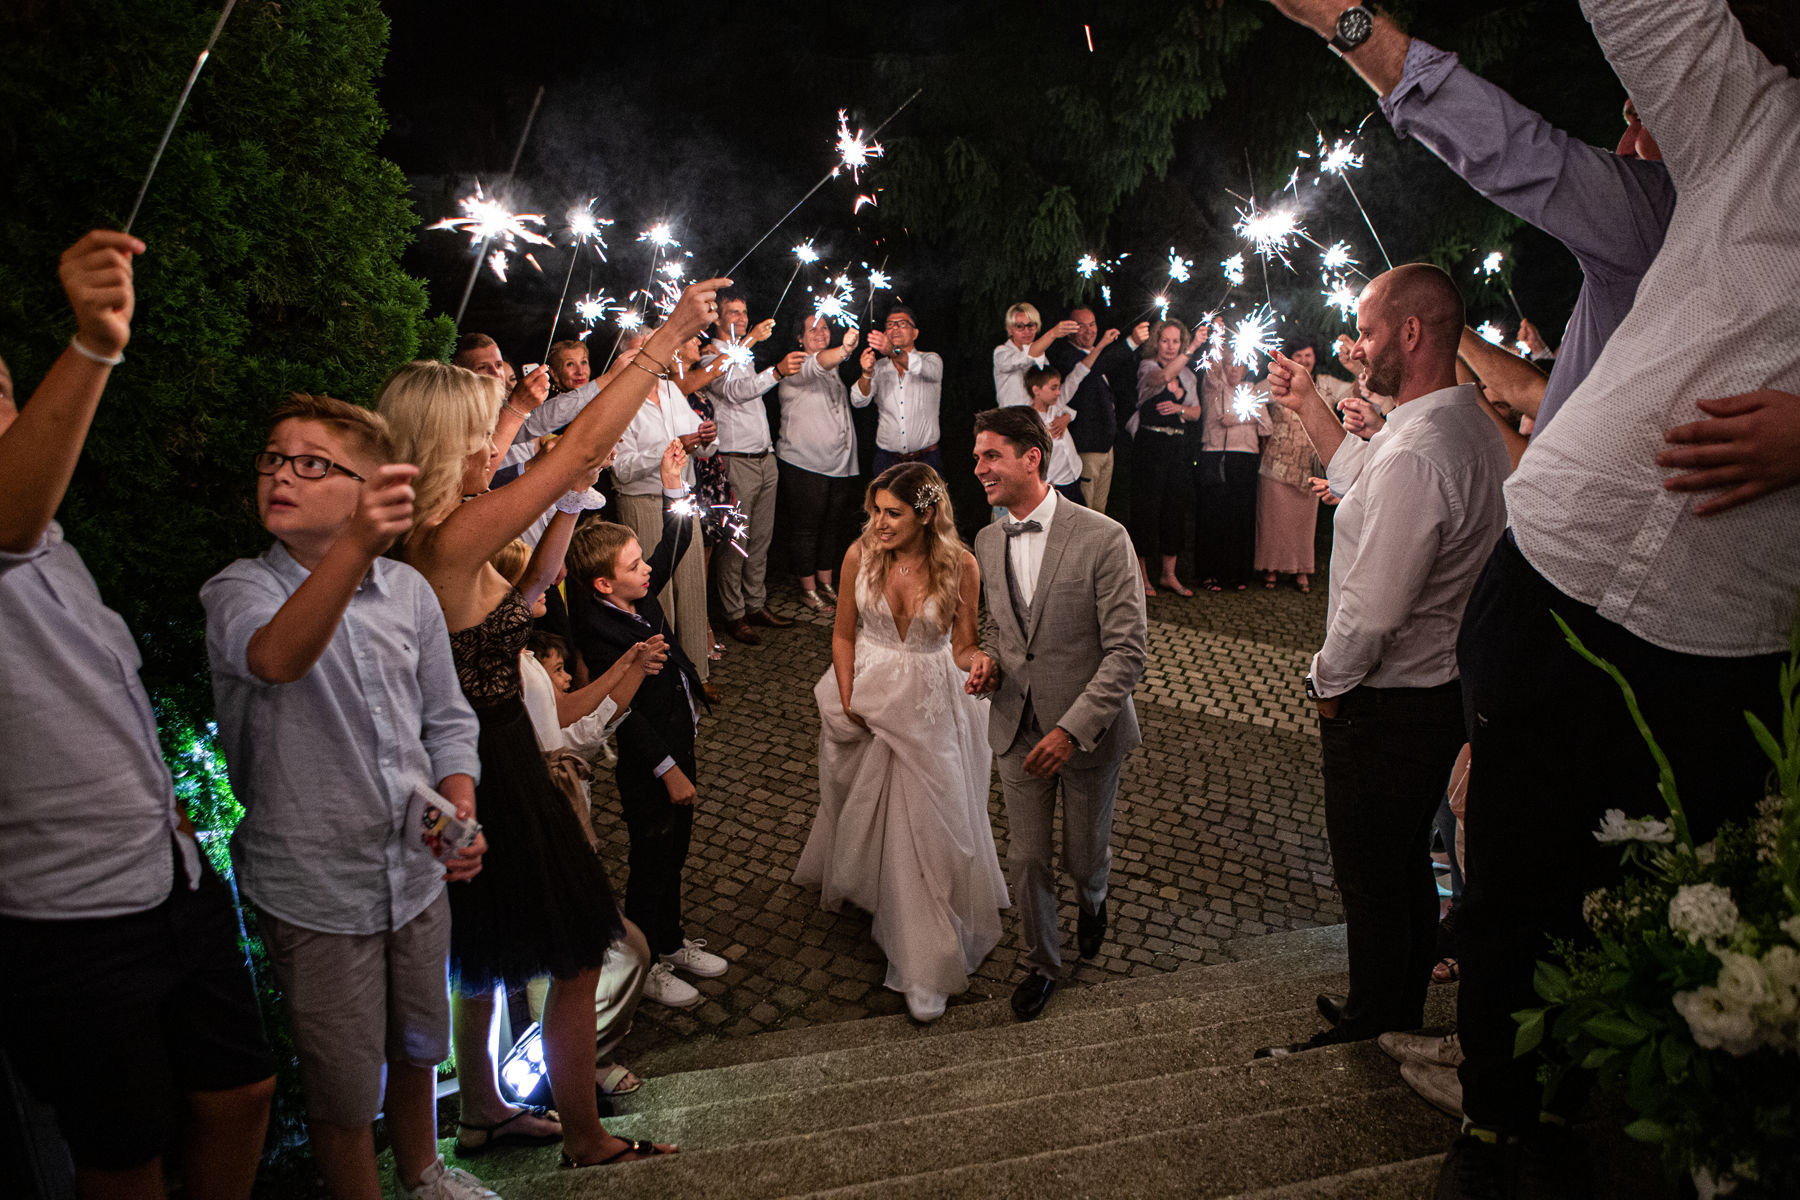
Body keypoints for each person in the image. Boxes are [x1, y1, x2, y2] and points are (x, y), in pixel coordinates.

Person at [1453, 2, 1800, 1191]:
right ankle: (1498, 1128)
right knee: (1511, 881)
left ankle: (1647, 1130)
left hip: (1726, 628)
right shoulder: (1758, 114)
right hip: (1554, 562)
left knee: (1681, 901)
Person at [376, 276, 723, 1170]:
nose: (494, 446)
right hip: (490, 759)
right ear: (441, 446)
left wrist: (561, 498)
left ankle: (483, 1112)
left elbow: (528, 591)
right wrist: (662, 343)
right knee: (579, 946)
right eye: (480, 434)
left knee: (485, 954)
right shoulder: (442, 541)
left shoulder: (435, 533)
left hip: (480, 751)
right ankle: (584, 1137)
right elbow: (578, 452)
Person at [0, 230, 275, 1199]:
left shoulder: (52, 544)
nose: (0, 412)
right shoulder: (12, 530)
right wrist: (93, 345)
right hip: (62, 914)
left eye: (3, 391)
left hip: (171, 873)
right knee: (124, 1152)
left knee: (242, 1090)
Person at [201, 394, 493, 1200]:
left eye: (312, 464)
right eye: (273, 458)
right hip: (315, 886)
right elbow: (276, 658)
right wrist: (357, 545)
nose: (282, 475)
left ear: (370, 489)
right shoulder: (238, 590)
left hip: (414, 869)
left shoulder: (406, 591)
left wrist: (459, 804)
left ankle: (425, 1174)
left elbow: (446, 717)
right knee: (342, 1083)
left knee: (418, 1042)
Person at [1256, 264, 1508, 1066]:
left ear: (1411, 333)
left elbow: (1374, 611)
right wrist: (1309, 405)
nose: (1356, 346)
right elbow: (1364, 477)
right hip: (1438, 689)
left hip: (1390, 700)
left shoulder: (1421, 453)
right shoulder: (1458, 426)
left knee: (1372, 875)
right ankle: (1393, 1002)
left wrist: (1326, 683)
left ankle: (1372, 1026)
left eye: (1366, 332)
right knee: (1401, 864)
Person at [794, 463, 1006, 1023]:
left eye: (893, 513)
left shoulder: (961, 565)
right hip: (868, 692)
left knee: (933, 822)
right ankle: (878, 892)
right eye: (875, 511)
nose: (879, 523)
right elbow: (843, 634)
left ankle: (924, 962)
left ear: (927, 513)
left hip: (930, 704)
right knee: (864, 805)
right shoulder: (859, 556)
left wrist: (980, 662)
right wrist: (847, 700)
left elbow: (963, 646)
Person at [967, 406, 1148, 1022]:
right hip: (1016, 726)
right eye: (977, 457)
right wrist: (990, 663)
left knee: (1083, 855)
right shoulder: (987, 540)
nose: (979, 468)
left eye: (991, 455)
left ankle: (1094, 899)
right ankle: (1042, 963)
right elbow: (1003, 629)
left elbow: (1127, 652)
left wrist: (1072, 730)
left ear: (1031, 457)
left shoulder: (1104, 536)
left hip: (1088, 733)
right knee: (1026, 858)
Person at [567, 442, 728, 1013]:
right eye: (634, 566)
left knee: (676, 850)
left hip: (678, 735)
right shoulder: (600, 631)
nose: (647, 570)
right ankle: (647, 964)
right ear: (603, 586)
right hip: (650, 761)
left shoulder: (634, 595)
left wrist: (672, 485)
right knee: (651, 858)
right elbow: (625, 714)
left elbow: (673, 545)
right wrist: (668, 771)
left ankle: (672, 940)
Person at [610, 334, 717, 688]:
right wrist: (667, 452)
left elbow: (699, 445)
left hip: (681, 499)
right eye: (643, 349)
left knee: (691, 586)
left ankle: (697, 674)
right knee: (656, 593)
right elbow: (621, 469)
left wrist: (705, 437)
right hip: (643, 502)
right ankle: (664, 678)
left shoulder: (670, 390)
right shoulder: (618, 399)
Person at [704, 292, 807, 646]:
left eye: (744, 311)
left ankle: (755, 604)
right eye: (733, 312)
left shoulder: (744, 355)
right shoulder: (710, 357)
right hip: (735, 461)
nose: (742, 317)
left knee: (760, 540)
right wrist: (776, 371)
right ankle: (733, 614)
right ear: (717, 319)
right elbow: (735, 391)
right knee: (736, 543)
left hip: (765, 458)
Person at [775, 315, 863, 611]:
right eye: (812, 328)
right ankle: (807, 588)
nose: (820, 332)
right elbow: (818, 363)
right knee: (807, 528)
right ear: (799, 337)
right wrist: (845, 350)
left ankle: (825, 582)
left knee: (831, 526)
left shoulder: (833, 370)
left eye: (825, 327)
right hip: (804, 463)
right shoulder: (795, 364)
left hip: (839, 464)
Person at [1129, 319, 1205, 597]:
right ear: (1156, 343)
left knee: (1174, 507)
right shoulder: (1147, 367)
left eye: (1176, 341)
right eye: (1165, 341)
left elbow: (1196, 412)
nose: (1170, 347)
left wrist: (1179, 408)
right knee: (1146, 507)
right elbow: (1161, 379)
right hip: (1150, 445)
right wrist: (1194, 347)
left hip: (1177, 447)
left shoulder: (1188, 376)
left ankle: (1168, 574)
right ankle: (1142, 574)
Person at [1194, 358, 1272, 591]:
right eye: (1230, 364)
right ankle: (1210, 572)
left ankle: (1238, 573)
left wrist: (1236, 419)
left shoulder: (1251, 390)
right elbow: (1211, 370)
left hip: (1245, 458)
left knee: (1240, 516)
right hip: (1215, 455)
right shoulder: (1213, 387)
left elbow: (1267, 426)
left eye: (1239, 364)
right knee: (1213, 515)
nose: (1234, 369)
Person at [1045, 308, 1128, 513]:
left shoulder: (1092, 356)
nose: (1089, 330)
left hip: (1106, 447)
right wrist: (1130, 343)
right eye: (1082, 326)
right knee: (1085, 512)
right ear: (1071, 329)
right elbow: (1084, 373)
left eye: (1092, 324)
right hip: (1086, 447)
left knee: (1099, 512)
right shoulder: (1067, 357)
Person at [1256, 347, 1325, 593]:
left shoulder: (1324, 386)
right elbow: (1251, 396)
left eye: (1308, 355)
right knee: (1274, 521)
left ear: (1315, 358)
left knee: (1303, 524)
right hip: (1276, 463)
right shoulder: (1277, 383)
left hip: (1308, 466)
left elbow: (1355, 392)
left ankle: (1301, 569)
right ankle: (1271, 568)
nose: (1304, 360)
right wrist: (1264, 429)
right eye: (1298, 356)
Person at [855, 305, 945, 474]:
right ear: (885, 333)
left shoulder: (931, 359)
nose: (895, 328)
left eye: (902, 324)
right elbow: (858, 400)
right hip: (887, 460)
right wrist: (866, 373)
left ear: (915, 333)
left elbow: (922, 368)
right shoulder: (878, 367)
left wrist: (891, 350)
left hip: (926, 459)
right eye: (890, 325)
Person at [993, 302, 1078, 409]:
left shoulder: (1042, 357)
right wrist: (1052, 334)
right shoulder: (1001, 353)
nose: (1026, 331)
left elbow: (1048, 397)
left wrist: (1066, 414)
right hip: (1011, 418)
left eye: (1030, 325)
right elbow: (1026, 356)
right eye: (1020, 326)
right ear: (1010, 330)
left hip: (1036, 418)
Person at [1022, 364, 1086, 503]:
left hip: (1074, 476)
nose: (1058, 393)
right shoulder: (1030, 422)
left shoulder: (1055, 408)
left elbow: (1071, 412)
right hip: (1056, 486)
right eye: (1053, 388)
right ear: (1036, 390)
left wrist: (1067, 417)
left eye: (1058, 387)